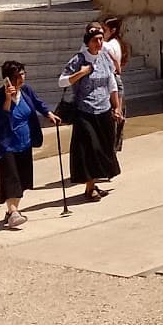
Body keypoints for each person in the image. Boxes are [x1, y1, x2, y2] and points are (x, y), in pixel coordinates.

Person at [0, 61, 59, 229]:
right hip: (7, 144)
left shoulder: (26, 91)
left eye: (23, 73)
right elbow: (0, 119)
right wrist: (8, 99)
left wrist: (49, 114)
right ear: (8, 79)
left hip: (25, 142)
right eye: (18, 75)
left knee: (21, 179)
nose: (22, 78)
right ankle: (13, 213)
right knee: (10, 179)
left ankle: (12, 211)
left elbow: (37, 103)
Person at [58, 22, 122, 201]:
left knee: (103, 148)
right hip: (84, 111)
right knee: (89, 150)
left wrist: (116, 106)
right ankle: (89, 187)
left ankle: (94, 184)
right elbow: (62, 81)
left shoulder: (104, 57)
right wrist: (81, 73)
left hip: (104, 110)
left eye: (101, 39)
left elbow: (112, 83)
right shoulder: (79, 60)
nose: (99, 43)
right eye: (96, 40)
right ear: (88, 42)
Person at [101, 17, 127, 153]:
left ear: (113, 30)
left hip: (113, 81)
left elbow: (115, 63)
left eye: (103, 30)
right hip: (116, 80)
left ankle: (111, 150)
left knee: (114, 116)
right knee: (116, 117)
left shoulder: (107, 45)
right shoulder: (116, 43)